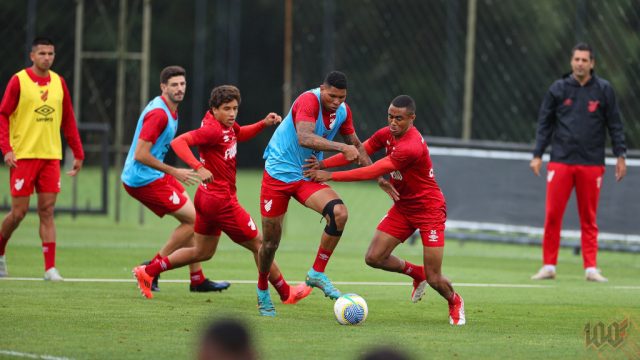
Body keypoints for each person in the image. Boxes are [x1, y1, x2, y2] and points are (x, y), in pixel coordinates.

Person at [133, 85, 312, 305]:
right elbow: (178, 142)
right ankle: (287, 293)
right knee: (260, 244)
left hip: (207, 199)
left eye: (235, 108)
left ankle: (148, 271)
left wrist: (262, 124)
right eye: (227, 109)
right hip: (221, 202)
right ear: (214, 109)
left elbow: (239, 133)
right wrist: (198, 167)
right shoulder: (212, 130)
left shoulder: (224, 125)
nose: (232, 113)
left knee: (202, 251)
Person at [304, 95, 466, 326]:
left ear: (412, 118)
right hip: (403, 206)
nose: (393, 122)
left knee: (434, 277)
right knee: (374, 257)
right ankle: (415, 273)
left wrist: (330, 175)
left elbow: (372, 171)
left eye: (399, 118)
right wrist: (323, 164)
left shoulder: (410, 146)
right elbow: (362, 151)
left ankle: (454, 300)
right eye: (390, 116)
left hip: (429, 209)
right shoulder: (387, 133)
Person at [256, 70, 384, 316]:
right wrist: (340, 147)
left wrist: (378, 176)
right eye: (332, 96)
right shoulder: (308, 100)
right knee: (270, 242)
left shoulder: (343, 111)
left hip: (306, 175)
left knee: (339, 213)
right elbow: (304, 137)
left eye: (342, 97)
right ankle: (262, 289)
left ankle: (316, 273)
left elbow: (357, 146)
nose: (336, 101)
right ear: (322, 89)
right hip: (277, 175)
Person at [122, 66, 229, 293]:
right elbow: (140, 154)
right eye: (174, 85)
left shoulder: (170, 109)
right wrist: (174, 171)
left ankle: (197, 279)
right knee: (192, 221)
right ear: (163, 87)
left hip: (154, 175)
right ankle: (152, 269)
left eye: (182, 84)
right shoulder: (159, 114)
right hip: (141, 179)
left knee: (194, 219)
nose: (179, 89)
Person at [530, 43, 627, 283]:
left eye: (585, 60)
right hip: (561, 161)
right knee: (553, 215)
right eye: (577, 59)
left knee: (589, 217)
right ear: (571, 62)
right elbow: (545, 124)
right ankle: (549, 265)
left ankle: (591, 267)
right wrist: (538, 154)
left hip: (592, 162)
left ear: (592, 63)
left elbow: (615, 125)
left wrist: (620, 155)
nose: (580, 63)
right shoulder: (558, 89)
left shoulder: (604, 90)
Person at [0, 37, 84, 281]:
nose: (47, 57)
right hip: (23, 156)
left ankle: (50, 268)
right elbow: (3, 114)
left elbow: (68, 119)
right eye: (42, 53)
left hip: (50, 156)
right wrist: (6, 148)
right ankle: (1, 251)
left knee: (47, 211)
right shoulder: (19, 81)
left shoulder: (59, 83)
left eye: (51, 53)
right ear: (32, 56)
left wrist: (78, 153)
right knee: (18, 213)